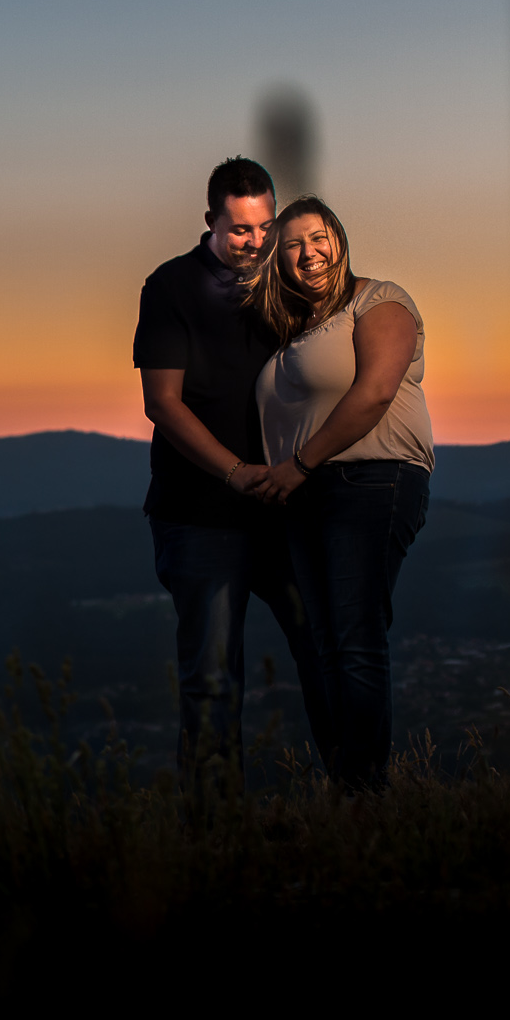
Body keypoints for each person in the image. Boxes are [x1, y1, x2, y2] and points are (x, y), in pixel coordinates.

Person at [133, 157, 322, 785]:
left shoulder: (286, 283)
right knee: (213, 682)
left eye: (266, 227)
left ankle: (361, 802)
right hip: (200, 514)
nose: (256, 242)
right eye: (240, 229)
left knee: (327, 653)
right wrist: (236, 472)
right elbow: (162, 403)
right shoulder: (170, 287)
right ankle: (217, 838)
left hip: (287, 508)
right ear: (210, 220)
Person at [243, 197, 431, 788]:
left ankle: (364, 795)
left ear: (340, 239)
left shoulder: (380, 301)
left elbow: (375, 392)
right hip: (306, 496)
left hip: (372, 481)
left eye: (318, 236)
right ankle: (348, 788)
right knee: (324, 647)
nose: (309, 252)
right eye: (293, 244)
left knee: (354, 640)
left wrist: (298, 463)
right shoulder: (294, 329)